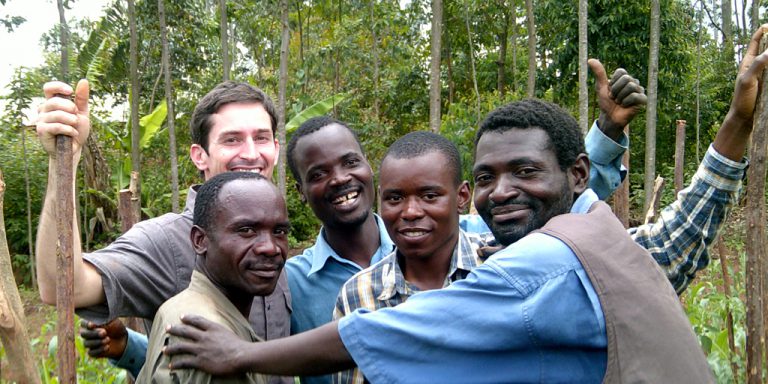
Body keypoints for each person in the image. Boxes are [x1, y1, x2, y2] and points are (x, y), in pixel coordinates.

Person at [160, 24, 768, 380]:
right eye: (397, 199)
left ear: (455, 202)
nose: (503, 193)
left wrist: (244, 356)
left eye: (430, 195)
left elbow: (670, 240)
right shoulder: (330, 285)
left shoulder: (512, 263)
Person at [34, 80, 292, 382]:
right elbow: (63, 285)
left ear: (275, 149)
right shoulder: (166, 241)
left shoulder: (276, 243)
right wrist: (64, 160)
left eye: (261, 138)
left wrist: (129, 347)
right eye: (232, 140)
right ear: (199, 155)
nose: (250, 154)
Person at [332, 131, 494, 384]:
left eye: (429, 196)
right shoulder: (359, 294)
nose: (410, 212)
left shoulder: (500, 265)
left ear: (462, 197)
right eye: (395, 198)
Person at [136, 172, 289, 383]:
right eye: (246, 230)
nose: (270, 248)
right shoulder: (209, 341)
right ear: (200, 240)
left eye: (279, 231)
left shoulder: (186, 309)